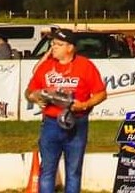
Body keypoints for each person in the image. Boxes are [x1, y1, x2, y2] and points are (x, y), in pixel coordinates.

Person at [25, 28, 107, 193]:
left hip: (77, 122)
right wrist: (35, 97)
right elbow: (29, 91)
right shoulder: (46, 66)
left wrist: (84, 104)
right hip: (50, 123)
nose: (53, 47)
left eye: (58, 44)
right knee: (47, 171)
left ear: (70, 47)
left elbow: (101, 93)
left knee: (74, 172)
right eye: (53, 44)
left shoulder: (85, 65)